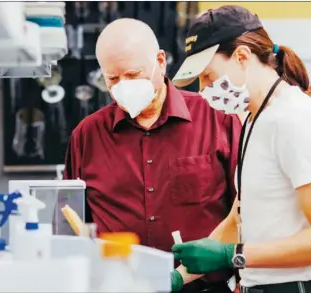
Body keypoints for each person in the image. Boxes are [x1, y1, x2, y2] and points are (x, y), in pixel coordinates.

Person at [61, 18, 242, 293]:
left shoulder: (217, 119)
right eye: (112, 78)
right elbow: (69, 223)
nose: (123, 85)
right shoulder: (87, 136)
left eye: (133, 74)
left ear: (160, 61)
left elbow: (246, 211)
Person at [170, 5, 311, 293]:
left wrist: (232, 254)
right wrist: (179, 277)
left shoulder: (293, 120)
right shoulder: (253, 119)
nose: (203, 89)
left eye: (208, 76)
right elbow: (239, 215)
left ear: (242, 57)